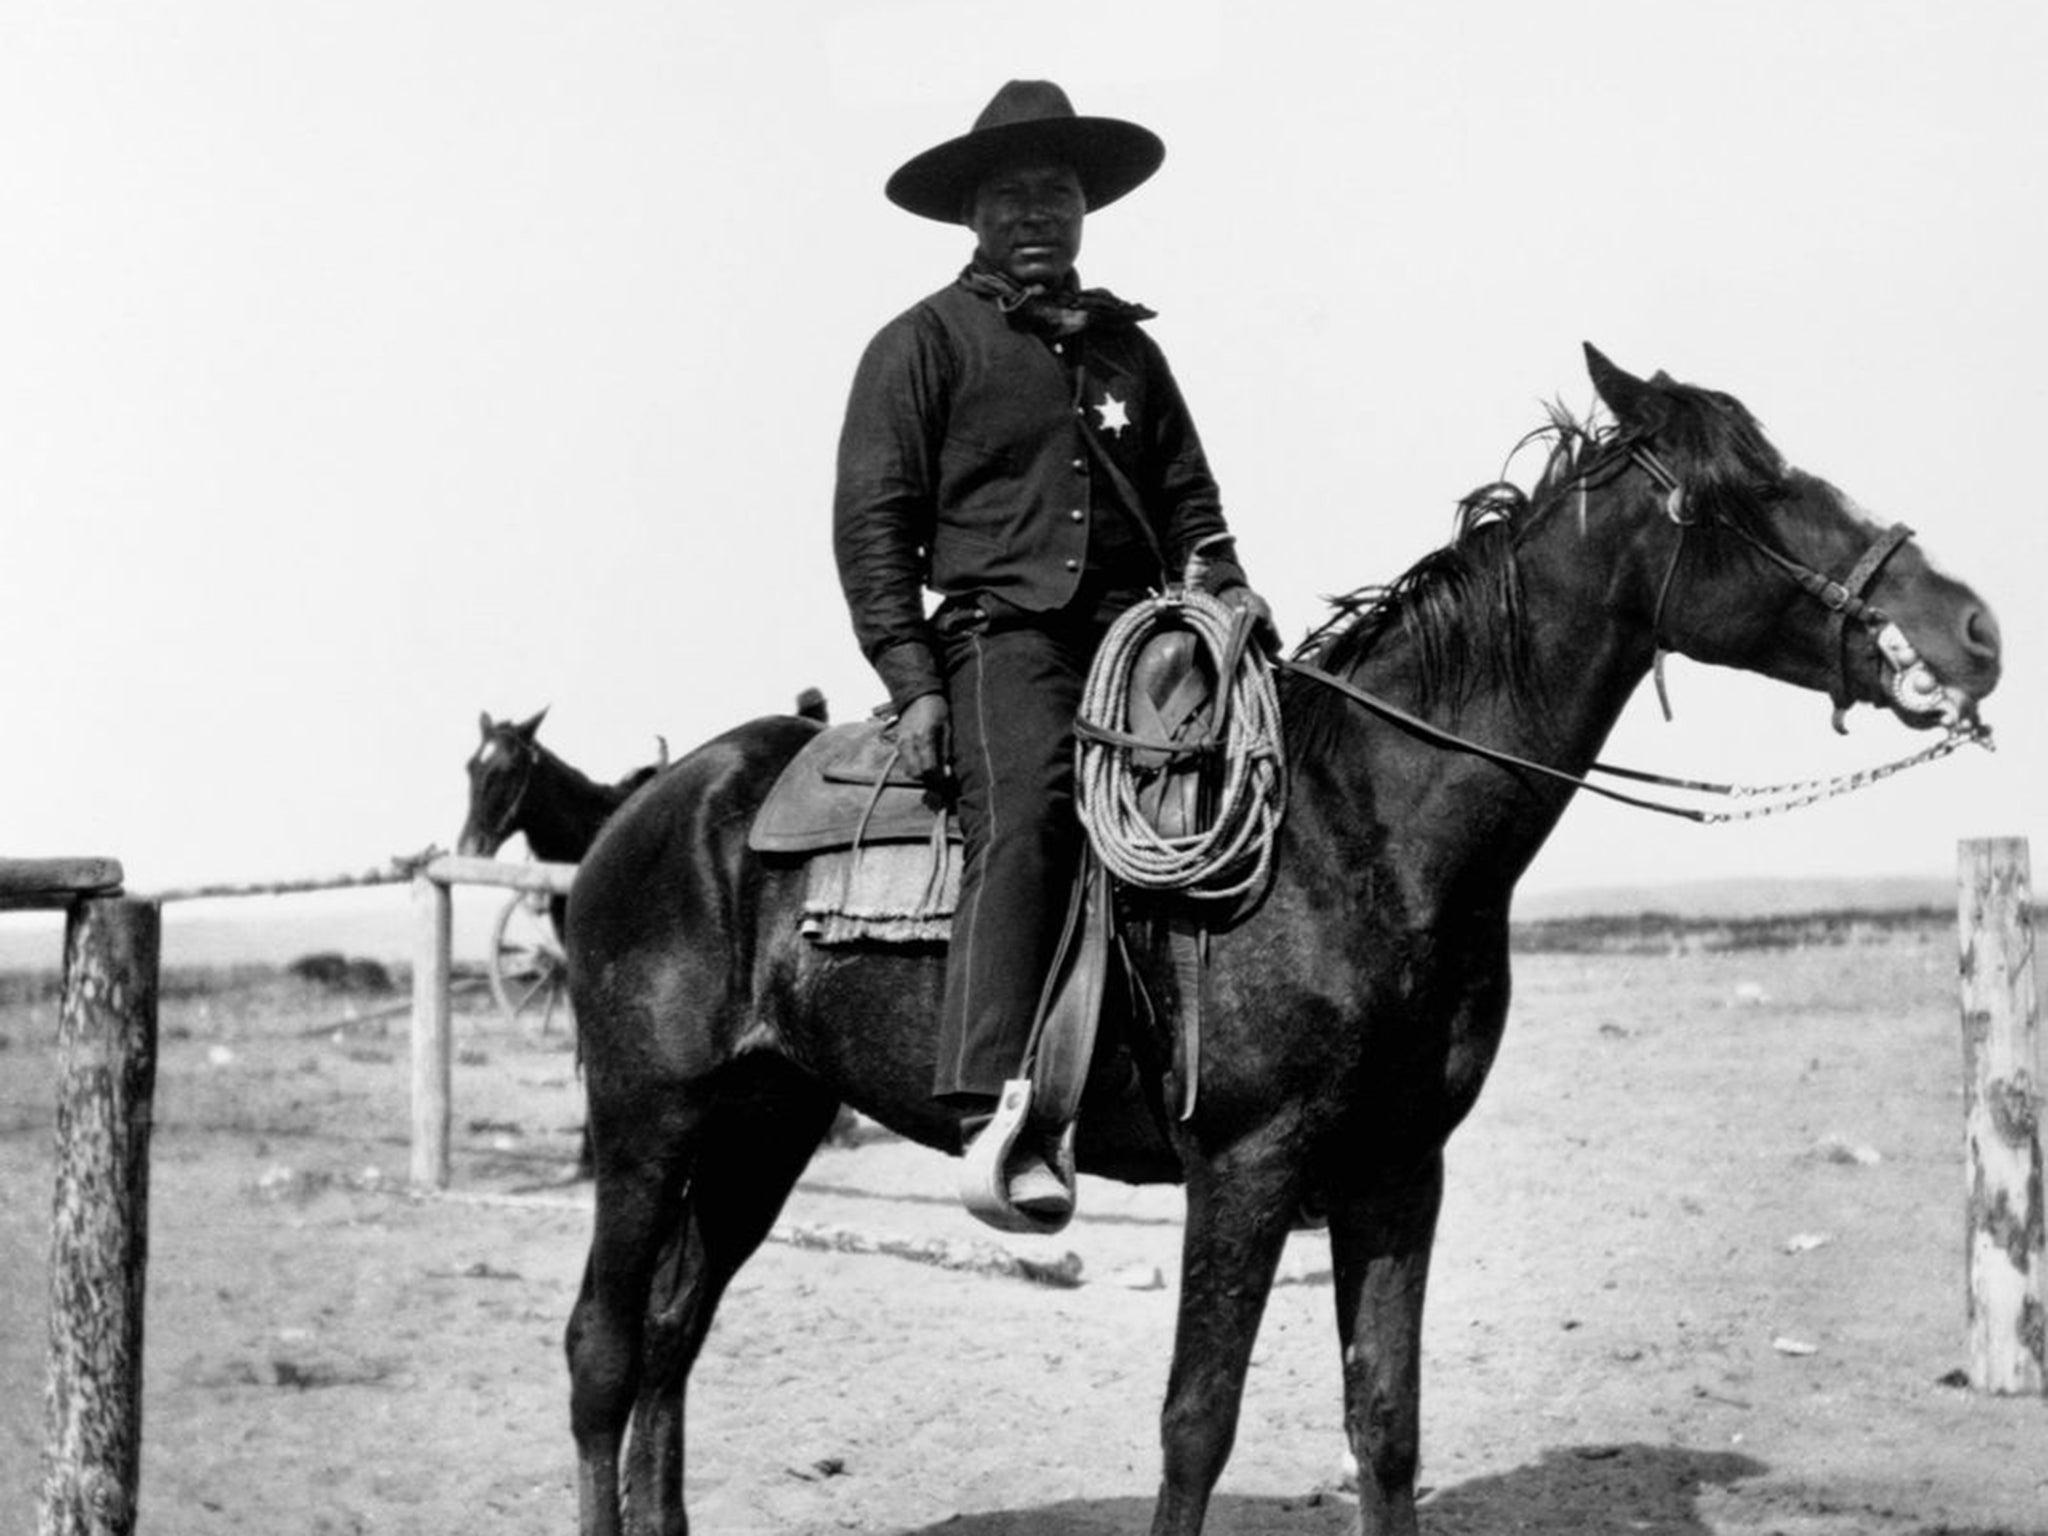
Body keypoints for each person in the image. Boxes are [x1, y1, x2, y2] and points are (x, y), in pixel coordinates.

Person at [833, 80, 1270, 1221]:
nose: (1041, 214)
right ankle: (993, 1109)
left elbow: (1188, 500)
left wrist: (1220, 583)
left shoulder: (1127, 350)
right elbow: (872, 526)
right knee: (1023, 817)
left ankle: (1248, 1087)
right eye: (1015, 195)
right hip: (1001, 637)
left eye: (1061, 195)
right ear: (972, 213)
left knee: (1250, 792)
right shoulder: (919, 345)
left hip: (1137, 637)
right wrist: (911, 681)